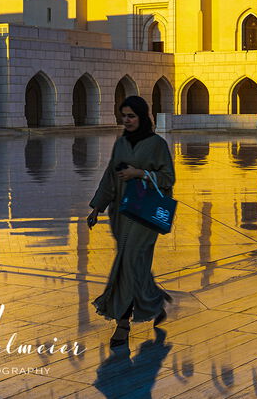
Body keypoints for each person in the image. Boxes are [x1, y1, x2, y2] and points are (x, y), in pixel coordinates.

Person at [87, 95, 174, 346]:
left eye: (131, 115)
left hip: (145, 213)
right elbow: (110, 175)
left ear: (142, 116)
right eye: (123, 115)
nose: (127, 120)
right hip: (121, 213)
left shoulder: (157, 144)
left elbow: (168, 178)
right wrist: (97, 207)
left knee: (128, 260)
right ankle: (153, 302)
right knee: (134, 262)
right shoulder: (121, 143)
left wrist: (141, 173)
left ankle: (122, 322)